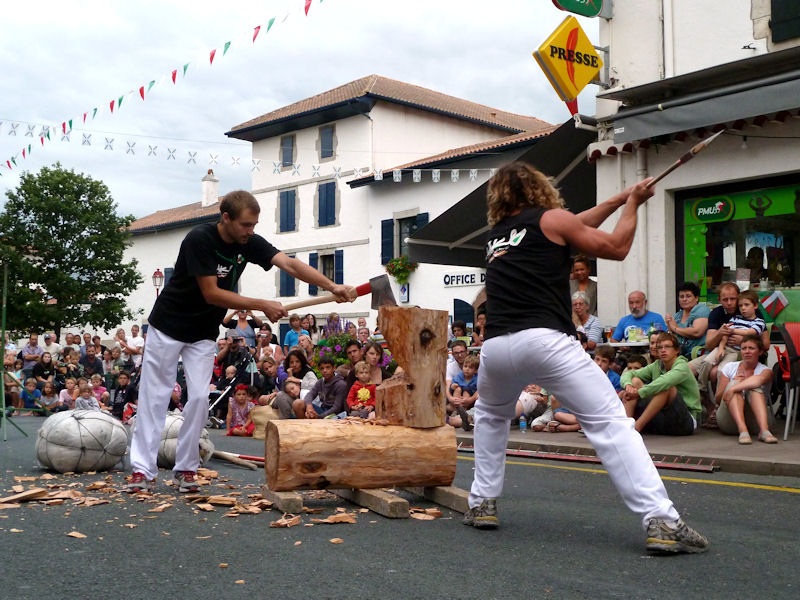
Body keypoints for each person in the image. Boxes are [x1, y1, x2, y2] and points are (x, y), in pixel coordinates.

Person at [465, 162, 708, 553]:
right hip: (545, 339)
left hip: (496, 346)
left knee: (491, 418)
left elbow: (575, 224)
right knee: (612, 425)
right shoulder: (552, 220)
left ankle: (482, 504)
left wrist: (621, 197)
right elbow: (616, 246)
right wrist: (633, 206)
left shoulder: (497, 237)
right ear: (538, 187)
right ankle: (660, 519)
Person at [126, 189, 356, 494]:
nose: (251, 230)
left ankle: (185, 470)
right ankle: (143, 471)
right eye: (246, 224)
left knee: (197, 399)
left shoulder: (249, 243)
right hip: (168, 325)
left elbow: (289, 264)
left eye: (254, 224)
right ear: (226, 218)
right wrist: (263, 304)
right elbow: (211, 293)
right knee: (155, 397)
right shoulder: (200, 239)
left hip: (203, 332)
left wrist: (332, 285)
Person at [620, 333, 701, 436]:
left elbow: (664, 382)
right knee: (635, 381)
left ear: (676, 350)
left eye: (667, 346)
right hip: (662, 418)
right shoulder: (656, 365)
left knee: (667, 388)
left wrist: (638, 393)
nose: (663, 350)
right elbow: (629, 374)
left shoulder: (682, 367)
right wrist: (628, 386)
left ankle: (635, 430)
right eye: (659, 348)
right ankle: (627, 427)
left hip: (685, 422)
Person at [695, 289, 766, 390]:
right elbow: (725, 334)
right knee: (706, 362)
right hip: (725, 347)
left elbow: (750, 332)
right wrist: (721, 348)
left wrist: (732, 331)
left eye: (746, 305)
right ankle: (702, 387)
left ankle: (721, 395)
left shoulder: (759, 322)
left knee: (721, 370)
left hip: (736, 352)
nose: (743, 308)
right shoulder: (735, 318)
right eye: (741, 306)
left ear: (755, 306)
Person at [715, 335, 777, 444]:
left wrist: (733, 388)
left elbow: (757, 381)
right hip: (729, 422)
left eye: (751, 348)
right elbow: (718, 399)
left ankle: (764, 431)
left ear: (760, 352)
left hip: (755, 423)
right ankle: (743, 430)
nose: (747, 351)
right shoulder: (729, 367)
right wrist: (731, 386)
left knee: (754, 387)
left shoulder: (766, 371)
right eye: (744, 348)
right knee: (734, 383)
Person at [664, 282, 710, 359]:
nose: (684, 299)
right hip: (680, 354)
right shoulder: (677, 316)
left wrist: (675, 328)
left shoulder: (702, 310)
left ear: (696, 298)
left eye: (688, 296)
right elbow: (672, 339)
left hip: (699, 354)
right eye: (681, 297)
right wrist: (669, 327)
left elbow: (697, 332)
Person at [449, 354, 479, 431]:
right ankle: (457, 410)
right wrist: (453, 386)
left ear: (475, 370)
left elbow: (478, 389)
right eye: (465, 366)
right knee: (458, 389)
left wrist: (468, 399)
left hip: (470, 400)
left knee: (466, 390)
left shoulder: (476, 378)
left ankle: (463, 411)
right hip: (459, 399)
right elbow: (451, 387)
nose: (467, 369)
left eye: (470, 368)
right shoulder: (459, 376)